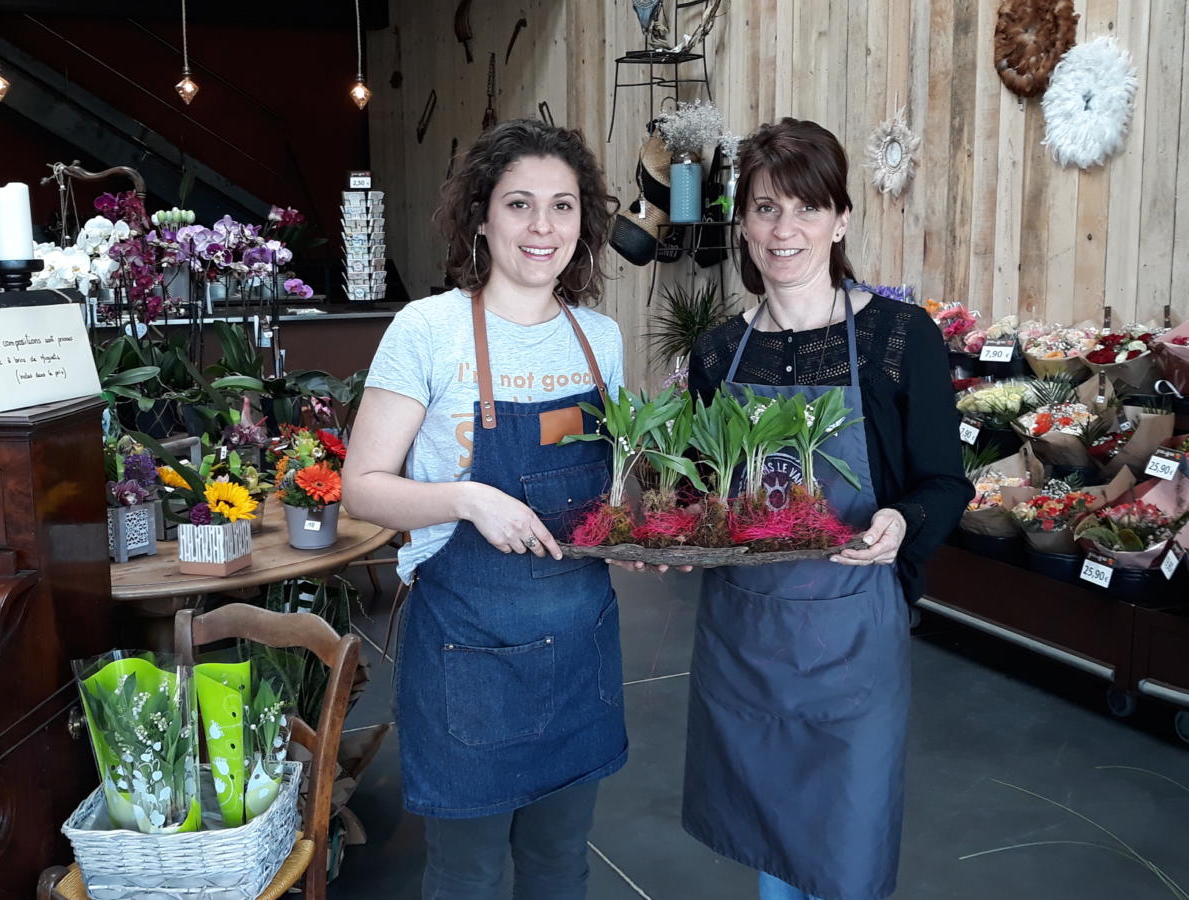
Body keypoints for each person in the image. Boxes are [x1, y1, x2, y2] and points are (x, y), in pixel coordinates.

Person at [681, 118, 973, 900]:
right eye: (767, 208)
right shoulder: (715, 355)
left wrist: (902, 521)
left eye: (808, 208)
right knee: (774, 853)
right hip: (745, 638)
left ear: (841, 219)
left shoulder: (896, 338)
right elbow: (705, 489)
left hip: (850, 642)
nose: (787, 229)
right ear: (742, 223)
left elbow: (946, 481)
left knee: (846, 847)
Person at [343, 119, 629, 899]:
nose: (543, 228)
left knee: (558, 865)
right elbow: (361, 485)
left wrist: (639, 525)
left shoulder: (597, 340)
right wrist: (467, 499)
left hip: (578, 646)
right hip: (469, 650)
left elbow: (605, 487)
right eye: (520, 205)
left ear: (585, 223)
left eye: (563, 207)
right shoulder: (429, 331)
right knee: (466, 873)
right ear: (481, 215)